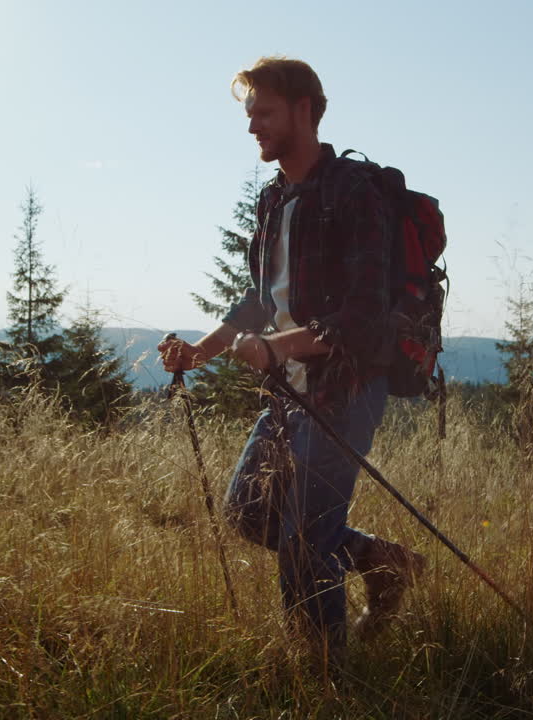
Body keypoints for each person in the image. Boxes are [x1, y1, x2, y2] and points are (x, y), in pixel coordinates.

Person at [158, 56, 424, 677]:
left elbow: (363, 318)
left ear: (304, 110)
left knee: (304, 543)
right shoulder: (274, 198)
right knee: (250, 513)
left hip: (345, 388)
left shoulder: (353, 191)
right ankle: (384, 563)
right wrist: (204, 351)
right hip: (290, 390)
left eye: (265, 112)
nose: (253, 125)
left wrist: (280, 347)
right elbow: (257, 299)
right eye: (250, 113)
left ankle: (324, 678)